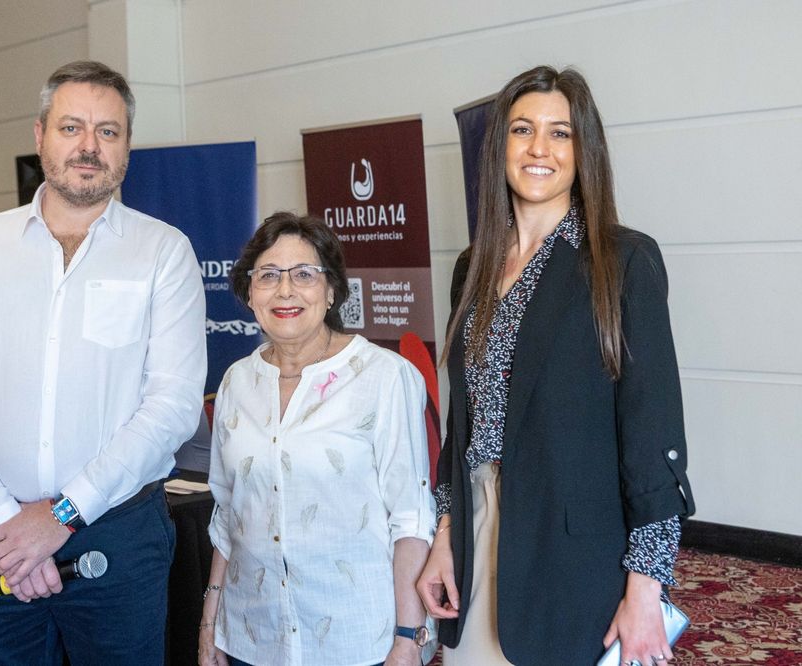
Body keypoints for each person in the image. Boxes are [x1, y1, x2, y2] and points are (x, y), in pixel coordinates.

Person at [0, 60, 206, 665]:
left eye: (108, 131)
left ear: (127, 146)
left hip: (117, 538)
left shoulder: (164, 252)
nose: (89, 146)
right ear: (40, 134)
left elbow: (174, 405)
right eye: (71, 127)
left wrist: (62, 516)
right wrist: (9, 525)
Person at [415, 66, 695, 666]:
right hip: (478, 530)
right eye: (522, 129)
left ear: (582, 150)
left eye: (559, 133)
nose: (539, 147)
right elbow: (463, 427)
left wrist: (646, 586)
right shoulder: (473, 267)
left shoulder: (622, 261)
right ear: (500, 149)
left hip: (572, 553)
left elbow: (653, 435)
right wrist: (446, 534)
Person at [197, 212, 436, 666]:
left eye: (304, 274)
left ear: (331, 291)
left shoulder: (383, 378)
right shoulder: (235, 383)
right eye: (268, 275)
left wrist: (409, 638)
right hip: (253, 637)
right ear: (250, 294)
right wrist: (211, 624)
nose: (285, 290)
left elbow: (410, 516)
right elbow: (229, 515)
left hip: (357, 640)